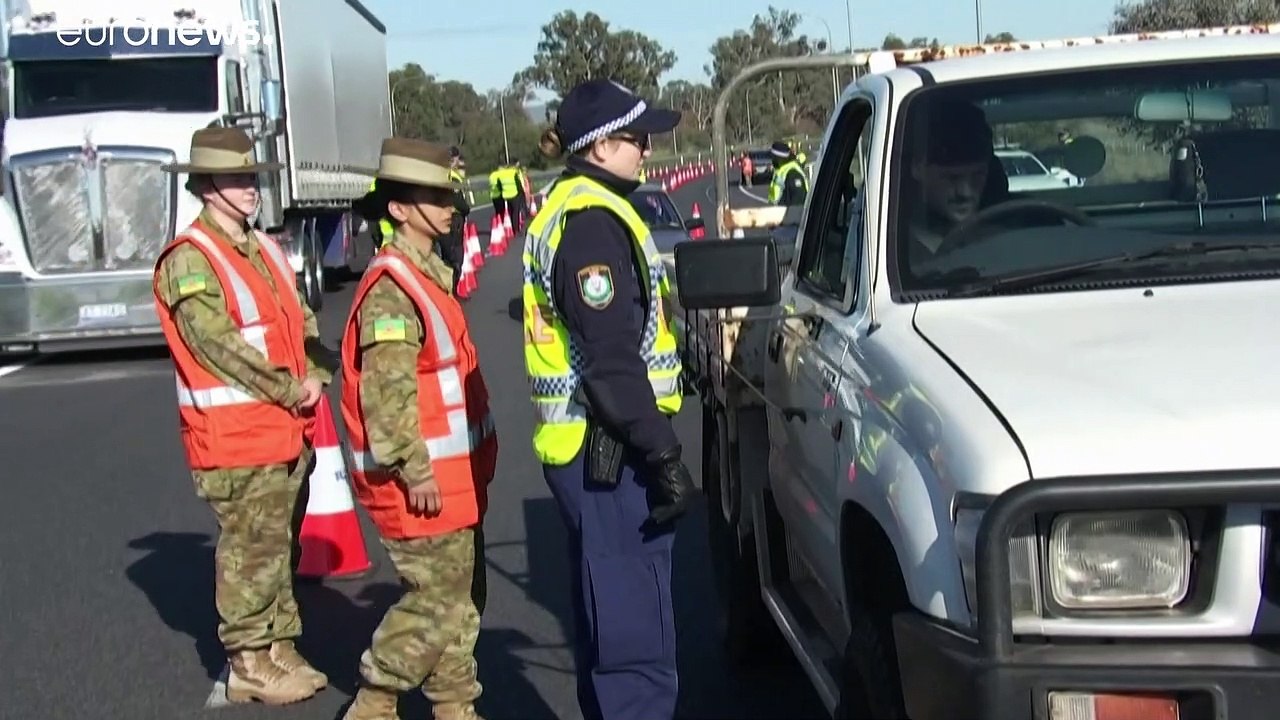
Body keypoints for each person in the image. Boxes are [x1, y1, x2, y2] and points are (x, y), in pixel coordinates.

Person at [521, 78, 695, 720]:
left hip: (590, 446)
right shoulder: (593, 226)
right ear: (599, 147)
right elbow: (612, 363)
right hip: (611, 451)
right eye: (636, 138)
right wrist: (664, 454)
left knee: (607, 616)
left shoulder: (574, 208)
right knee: (632, 632)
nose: (647, 149)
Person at [152, 126, 331, 706]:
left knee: (279, 547)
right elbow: (221, 349)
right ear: (206, 187)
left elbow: (301, 319)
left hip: (286, 430)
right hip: (235, 438)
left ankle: (278, 645)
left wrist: (316, 372)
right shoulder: (190, 260)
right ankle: (248, 661)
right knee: (250, 552)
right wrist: (291, 389)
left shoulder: (266, 248)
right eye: (237, 178)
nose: (251, 187)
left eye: (253, 177)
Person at [340, 137, 498, 720]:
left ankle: (455, 706)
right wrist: (413, 467)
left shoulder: (426, 275)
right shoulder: (393, 289)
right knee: (434, 602)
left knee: (461, 599)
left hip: (454, 479)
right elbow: (387, 395)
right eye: (435, 197)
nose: (450, 206)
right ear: (399, 209)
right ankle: (374, 700)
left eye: (448, 194)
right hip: (423, 481)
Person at [905, 100, 1007, 264]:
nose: (965, 192)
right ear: (918, 168)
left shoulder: (1013, 233)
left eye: (977, 175)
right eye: (951, 177)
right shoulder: (890, 250)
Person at [767, 140, 809, 206]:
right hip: (779, 211)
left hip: (788, 211)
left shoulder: (793, 173)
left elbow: (798, 201)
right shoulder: (781, 170)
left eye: (773, 157)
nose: (772, 160)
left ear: (779, 158)